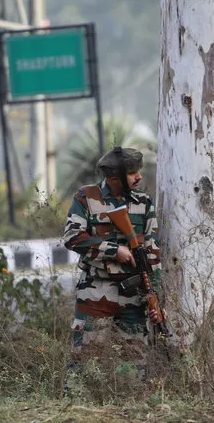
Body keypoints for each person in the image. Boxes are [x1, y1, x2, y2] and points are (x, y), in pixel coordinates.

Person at [62, 146, 163, 377]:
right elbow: (72, 237)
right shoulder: (86, 198)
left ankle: (129, 408)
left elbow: (153, 252)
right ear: (114, 177)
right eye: (133, 173)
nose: (139, 177)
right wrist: (115, 251)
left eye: (139, 171)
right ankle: (78, 409)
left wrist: (155, 297)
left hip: (135, 294)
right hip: (95, 291)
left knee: (133, 366)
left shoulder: (144, 203)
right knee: (83, 363)